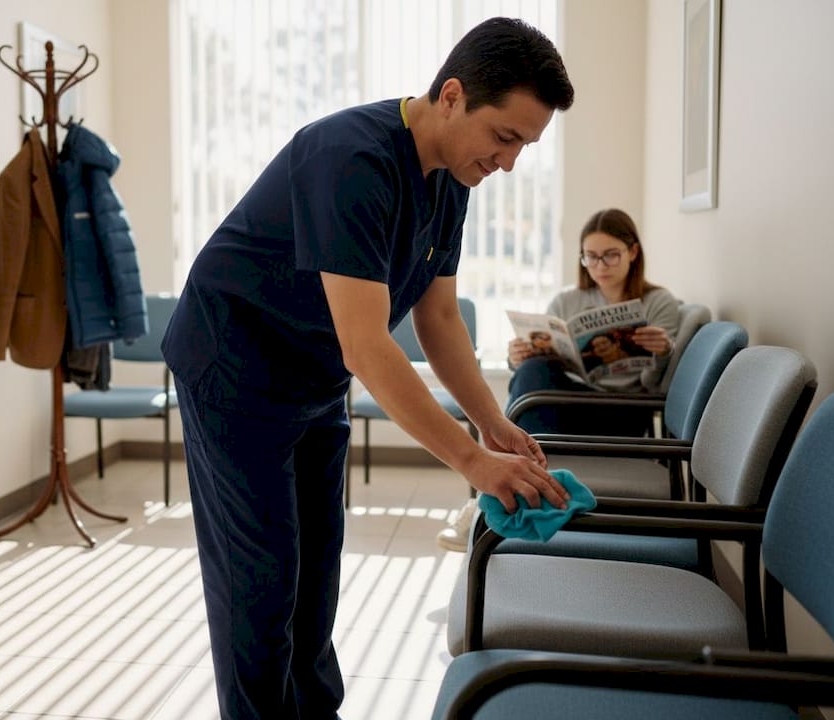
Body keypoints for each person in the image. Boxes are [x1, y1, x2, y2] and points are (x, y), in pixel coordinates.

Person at [160, 17, 574, 720]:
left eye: (524, 148)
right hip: (234, 367)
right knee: (262, 584)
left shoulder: (451, 178)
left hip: (314, 378)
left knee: (315, 575)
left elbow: (436, 317)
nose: (509, 163)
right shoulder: (351, 159)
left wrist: (491, 421)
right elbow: (367, 344)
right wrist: (473, 463)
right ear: (452, 96)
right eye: (505, 138)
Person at [436, 207, 680, 552]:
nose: (600, 267)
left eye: (610, 255)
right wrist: (517, 356)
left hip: (624, 413)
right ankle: (504, 486)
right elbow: (540, 360)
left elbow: (656, 386)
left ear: (633, 252)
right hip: (570, 404)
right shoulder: (567, 300)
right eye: (590, 257)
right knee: (534, 370)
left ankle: (494, 501)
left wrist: (662, 353)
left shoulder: (659, 302)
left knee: (537, 396)